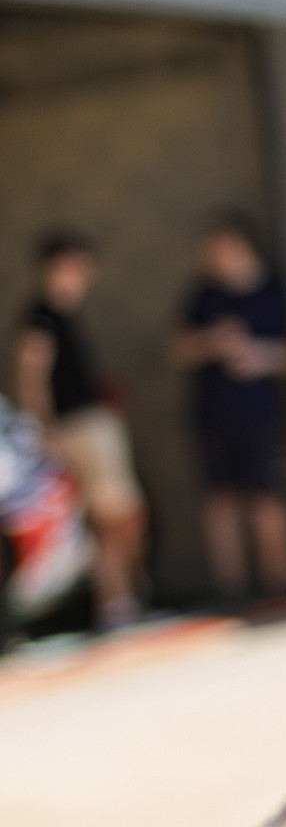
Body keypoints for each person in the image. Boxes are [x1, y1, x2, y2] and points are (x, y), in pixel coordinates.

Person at [13, 230, 146, 631]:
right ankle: (117, 599)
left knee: (111, 519)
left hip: (91, 422)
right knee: (115, 515)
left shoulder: (69, 315)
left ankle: (119, 599)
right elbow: (31, 375)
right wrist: (42, 428)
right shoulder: (40, 317)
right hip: (77, 428)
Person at [170, 213, 286, 601]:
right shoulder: (204, 295)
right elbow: (176, 350)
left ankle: (277, 588)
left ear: (241, 246)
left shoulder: (272, 291)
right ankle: (233, 592)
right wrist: (211, 341)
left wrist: (261, 356)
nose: (213, 257)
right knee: (221, 501)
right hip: (213, 414)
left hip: (259, 413)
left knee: (266, 498)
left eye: (220, 249)